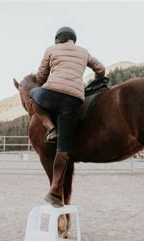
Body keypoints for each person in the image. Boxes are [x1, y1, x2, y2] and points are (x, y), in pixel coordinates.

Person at [30, 26, 105, 207]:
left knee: (33, 95)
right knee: (62, 150)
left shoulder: (51, 50)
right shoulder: (83, 52)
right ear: (73, 39)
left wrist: (44, 83)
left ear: (58, 40)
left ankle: (50, 128)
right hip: (73, 99)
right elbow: (101, 69)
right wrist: (96, 79)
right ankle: (55, 189)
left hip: (52, 93)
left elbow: (40, 76)